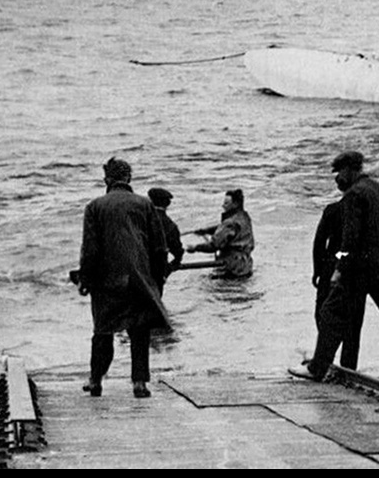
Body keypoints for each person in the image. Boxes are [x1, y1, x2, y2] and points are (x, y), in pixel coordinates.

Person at [293, 152, 379, 381]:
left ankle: (317, 368)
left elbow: (349, 239)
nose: (337, 179)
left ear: (349, 169)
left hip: (357, 269)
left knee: (330, 312)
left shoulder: (355, 195)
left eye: (338, 173)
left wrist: (340, 267)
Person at [77, 157, 170, 399]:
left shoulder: (94, 207)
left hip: (107, 281)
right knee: (139, 331)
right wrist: (158, 279)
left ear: (106, 179)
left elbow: (90, 250)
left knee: (103, 332)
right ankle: (139, 383)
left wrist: (85, 280)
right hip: (140, 278)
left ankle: (96, 380)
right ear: (129, 178)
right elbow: (159, 247)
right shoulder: (146, 205)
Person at [311, 192, 363, 370]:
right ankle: (349, 365)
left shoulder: (332, 210)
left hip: (332, 264)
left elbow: (319, 241)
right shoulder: (363, 212)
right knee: (353, 319)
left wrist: (316, 270)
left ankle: (325, 357)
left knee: (323, 312)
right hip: (356, 268)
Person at [189, 188, 254, 278]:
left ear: (235, 204)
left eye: (226, 203)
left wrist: (195, 248)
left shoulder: (230, 222)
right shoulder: (244, 217)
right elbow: (226, 229)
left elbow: (214, 246)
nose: (223, 206)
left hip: (231, 266)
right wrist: (206, 231)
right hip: (246, 264)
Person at [147, 187, 185, 294]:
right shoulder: (170, 225)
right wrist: (168, 270)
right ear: (167, 204)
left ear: (150, 201)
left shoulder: (141, 219)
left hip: (138, 268)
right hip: (158, 270)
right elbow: (178, 253)